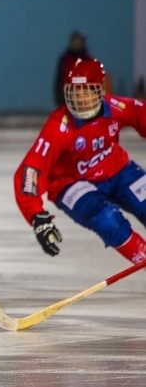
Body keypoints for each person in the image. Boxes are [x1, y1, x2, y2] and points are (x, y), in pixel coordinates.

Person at [14, 57, 146, 266]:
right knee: (108, 221)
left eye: (87, 91)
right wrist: (37, 216)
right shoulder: (59, 127)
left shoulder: (116, 107)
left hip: (118, 170)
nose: (81, 99)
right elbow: (30, 170)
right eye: (75, 92)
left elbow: (142, 114)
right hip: (71, 184)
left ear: (99, 91)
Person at [54, 31, 91, 107]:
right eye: (74, 41)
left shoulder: (87, 59)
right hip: (66, 95)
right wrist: (58, 95)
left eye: (78, 42)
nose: (76, 44)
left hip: (83, 97)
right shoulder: (65, 59)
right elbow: (59, 78)